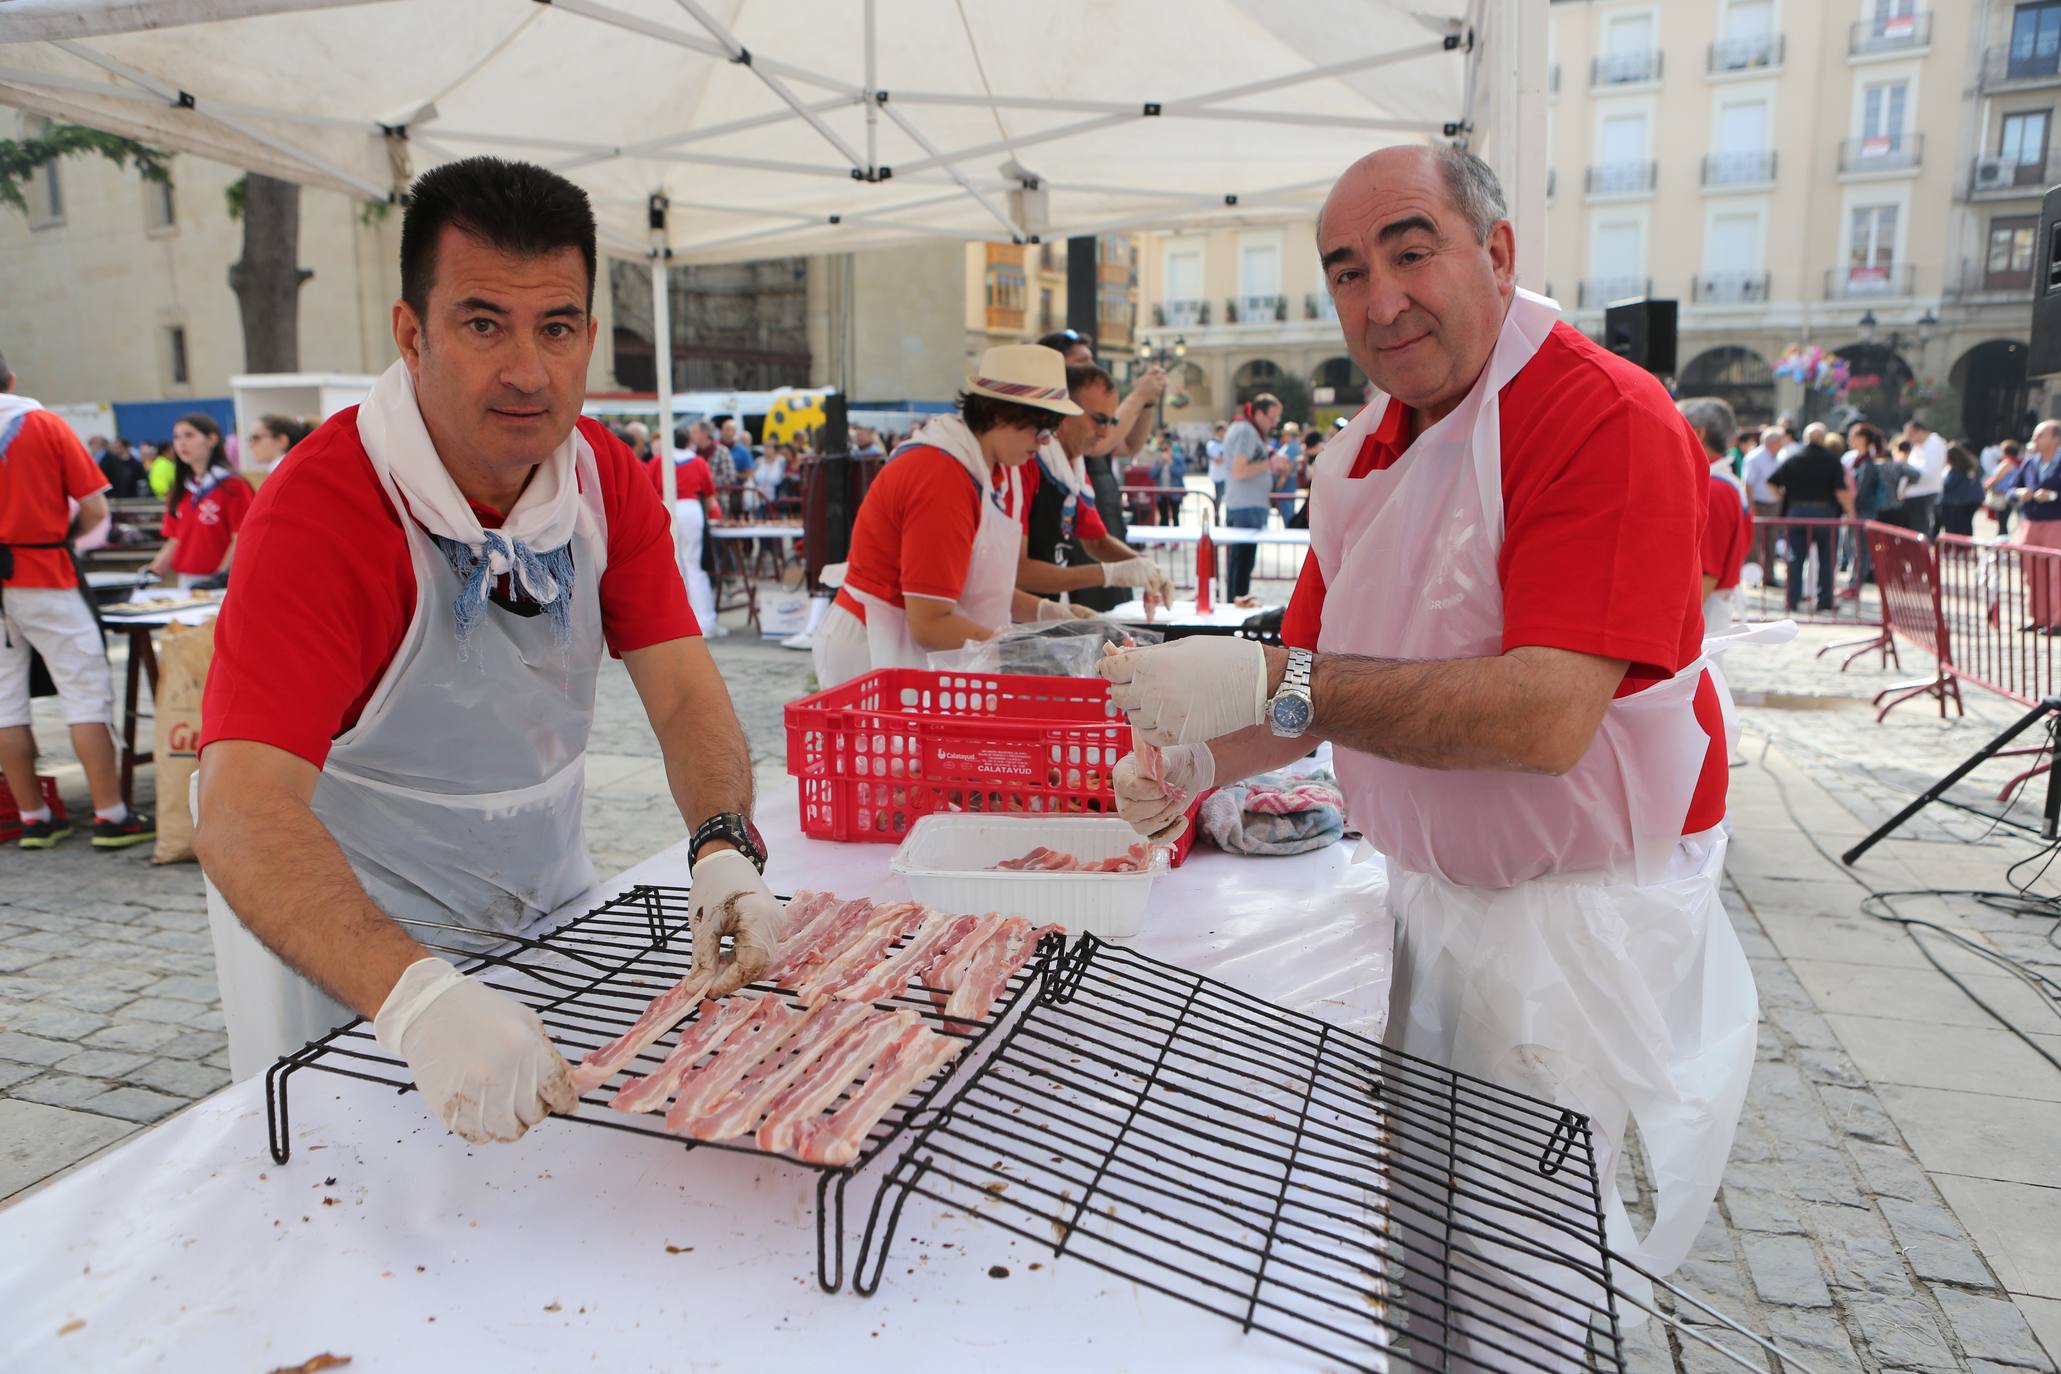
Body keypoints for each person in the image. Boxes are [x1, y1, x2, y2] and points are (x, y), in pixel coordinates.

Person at [1096, 146, 1755, 1357]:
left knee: (1536, 1277)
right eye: (1349, 273)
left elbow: (1546, 717)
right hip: (1423, 897)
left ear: (1496, 255)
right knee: (1428, 1230)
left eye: (1413, 252)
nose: (1382, 299)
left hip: (1566, 926)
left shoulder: (1602, 416)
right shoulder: (1367, 448)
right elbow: (1303, 680)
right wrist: (1195, 763)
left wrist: (1266, 678)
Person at [192, 157, 777, 1143]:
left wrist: (724, 841)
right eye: (482, 324)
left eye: (556, 328)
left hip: (550, 913)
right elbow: (241, 810)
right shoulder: (323, 513)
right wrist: (416, 999)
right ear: (411, 334)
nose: (527, 370)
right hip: (363, 968)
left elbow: (682, 693)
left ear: (591, 335)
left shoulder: (605, 484)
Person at [811, 345, 1088, 689]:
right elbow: (929, 623)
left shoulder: (994, 467)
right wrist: (1026, 654)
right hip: (874, 645)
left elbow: (975, 588)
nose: (1045, 443)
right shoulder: (942, 476)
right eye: (1041, 429)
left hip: (913, 639)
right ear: (1001, 414)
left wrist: (1048, 613)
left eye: (1052, 432)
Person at [0, 350, 155, 850]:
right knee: (85, 691)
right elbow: (94, 509)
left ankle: (34, 818)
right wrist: (62, 533)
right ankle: (111, 815)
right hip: (45, 572)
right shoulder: (43, 424)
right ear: (12, 377)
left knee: (4, 707)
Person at [1015, 363, 1176, 614]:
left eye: (1111, 421)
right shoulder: (1027, 464)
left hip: (1042, 608)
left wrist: (1144, 566)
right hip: (1014, 612)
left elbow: (1097, 541)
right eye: (1099, 420)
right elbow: (1019, 572)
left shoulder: (1073, 468)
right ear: (1064, 413)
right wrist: (1106, 573)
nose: (1106, 432)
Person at [146, 414, 255, 591]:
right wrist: (153, 571)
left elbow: (241, 536)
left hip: (224, 581)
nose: (181, 443)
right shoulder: (182, 488)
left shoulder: (233, 485)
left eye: (189, 435)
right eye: (177, 437)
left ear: (211, 439)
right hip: (188, 580)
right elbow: (176, 539)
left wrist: (221, 576)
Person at [648, 428, 721, 634]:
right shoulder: (698, 462)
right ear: (689, 440)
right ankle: (705, 620)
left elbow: (648, 490)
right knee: (694, 566)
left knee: (671, 565)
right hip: (690, 510)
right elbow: (709, 496)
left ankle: (673, 621)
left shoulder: (658, 461)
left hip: (666, 507)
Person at [1769, 433, 1852, 612]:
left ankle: (1792, 599)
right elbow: (1841, 491)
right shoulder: (1832, 461)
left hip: (1797, 512)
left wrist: (1785, 499)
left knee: (1794, 558)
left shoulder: (1793, 459)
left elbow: (1772, 482)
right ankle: (1825, 600)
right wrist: (1851, 514)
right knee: (1827, 559)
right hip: (1824, 513)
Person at [1219, 394, 1281, 600]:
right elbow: (1238, 470)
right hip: (1246, 507)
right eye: (1272, 418)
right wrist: (1269, 464)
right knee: (1241, 564)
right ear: (1258, 413)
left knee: (1241, 564)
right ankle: (1236, 608)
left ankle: (1236, 605)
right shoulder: (1246, 431)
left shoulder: (1246, 429)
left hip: (1247, 505)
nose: (1274, 424)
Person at [1847, 423, 1914, 594]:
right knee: (1858, 549)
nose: (1850, 439)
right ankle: (1854, 583)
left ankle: (1856, 584)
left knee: (1862, 550)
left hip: (1864, 511)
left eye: (1853, 435)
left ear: (1862, 439)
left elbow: (1861, 491)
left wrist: (1851, 510)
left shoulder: (1868, 464)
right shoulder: (1860, 461)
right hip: (1862, 511)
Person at [2008, 421, 2061, 632]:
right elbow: (2012, 489)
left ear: (2056, 438)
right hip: (2030, 522)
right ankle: (2039, 617)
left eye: (2040, 436)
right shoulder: (2029, 463)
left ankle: (2058, 620)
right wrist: (2020, 493)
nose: (2034, 440)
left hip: (2056, 522)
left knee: (2057, 572)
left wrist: (2054, 495)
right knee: (2032, 571)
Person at [1741, 424, 1783, 577]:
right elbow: (1748, 483)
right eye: (1779, 441)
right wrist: (1751, 506)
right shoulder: (1754, 457)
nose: (1782, 444)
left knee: (1771, 541)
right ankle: (1752, 575)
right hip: (1757, 503)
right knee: (1754, 541)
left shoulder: (1779, 457)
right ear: (1772, 442)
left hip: (1773, 503)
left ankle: (1768, 574)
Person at [1900, 417, 1949, 537]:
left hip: (1923, 493)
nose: (1908, 438)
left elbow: (1928, 472)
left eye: (1910, 434)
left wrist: (1908, 481)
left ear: (1920, 431)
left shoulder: (1934, 444)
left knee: (1920, 531)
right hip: (1915, 493)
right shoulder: (1921, 446)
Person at [1938, 443, 1985, 538]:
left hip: (1956, 502)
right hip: (1973, 500)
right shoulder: (1972, 464)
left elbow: (1948, 485)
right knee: (1967, 525)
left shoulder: (1956, 469)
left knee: (1955, 528)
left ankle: (1958, 548)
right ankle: (1966, 548)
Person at [245, 413, 309, 480]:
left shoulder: (286, 474)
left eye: (255, 438)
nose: (250, 445)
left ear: (281, 440)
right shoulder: (286, 470)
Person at [1986, 439, 2023, 536]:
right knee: (2004, 521)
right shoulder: (2019, 462)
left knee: (2002, 523)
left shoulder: (2007, 463)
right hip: (2009, 495)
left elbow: (1996, 478)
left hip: (2002, 496)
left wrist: (1986, 486)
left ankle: (2002, 545)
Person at [1205, 421, 1228, 507]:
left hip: (1227, 475)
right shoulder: (1212, 444)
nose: (1224, 433)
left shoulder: (1227, 442)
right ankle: (1217, 517)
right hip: (1218, 476)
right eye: (1222, 431)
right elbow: (1217, 459)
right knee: (1218, 498)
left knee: (1229, 500)